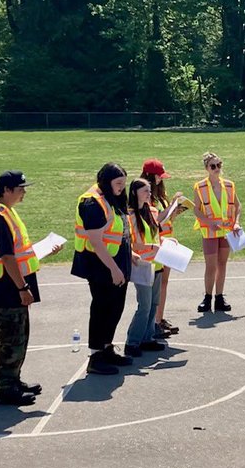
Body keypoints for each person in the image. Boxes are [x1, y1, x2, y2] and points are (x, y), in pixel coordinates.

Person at [0, 170, 62, 407]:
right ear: (6, 190)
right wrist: (22, 287)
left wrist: (41, 250)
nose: (24, 193)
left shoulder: (6, 212)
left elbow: (16, 251)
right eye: (20, 188)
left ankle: (13, 380)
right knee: (9, 339)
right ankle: (5, 389)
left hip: (10, 284)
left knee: (19, 337)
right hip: (5, 287)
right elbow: (6, 257)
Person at [72, 163, 134, 375]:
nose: (121, 188)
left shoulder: (111, 197)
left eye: (123, 183)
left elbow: (118, 229)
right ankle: (96, 355)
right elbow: (96, 242)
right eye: (118, 183)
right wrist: (114, 269)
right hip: (101, 265)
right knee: (102, 308)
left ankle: (107, 348)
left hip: (117, 260)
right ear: (106, 181)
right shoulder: (92, 202)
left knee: (116, 307)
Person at [124, 178, 169, 358]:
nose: (149, 194)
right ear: (135, 192)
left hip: (157, 264)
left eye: (150, 191)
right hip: (142, 265)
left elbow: (156, 235)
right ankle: (132, 342)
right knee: (144, 305)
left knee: (153, 304)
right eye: (145, 191)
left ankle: (147, 338)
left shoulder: (152, 211)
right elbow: (132, 244)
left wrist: (166, 241)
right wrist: (151, 248)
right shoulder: (130, 215)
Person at [192, 151, 241, 313]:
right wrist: (209, 223)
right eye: (213, 166)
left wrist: (236, 223)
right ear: (206, 168)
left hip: (226, 231)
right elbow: (196, 210)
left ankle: (219, 297)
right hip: (210, 232)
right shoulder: (200, 187)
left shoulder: (229, 185)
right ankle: (207, 297)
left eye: (219, 165)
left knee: (222, 264)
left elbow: (237, 205)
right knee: (211, 266)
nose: (217, 168)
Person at [141, 159, 184, 339]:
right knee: (157, 285)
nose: (161, 180)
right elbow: (155, 220)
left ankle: (159, 318)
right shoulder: (146, 196)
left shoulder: (158, 195)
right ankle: (155, 322)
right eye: (159, 176)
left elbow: (164, 219)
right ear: (151, 176)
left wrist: (174, 211)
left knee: (163, 283)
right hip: (157, 244)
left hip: (165, 241)